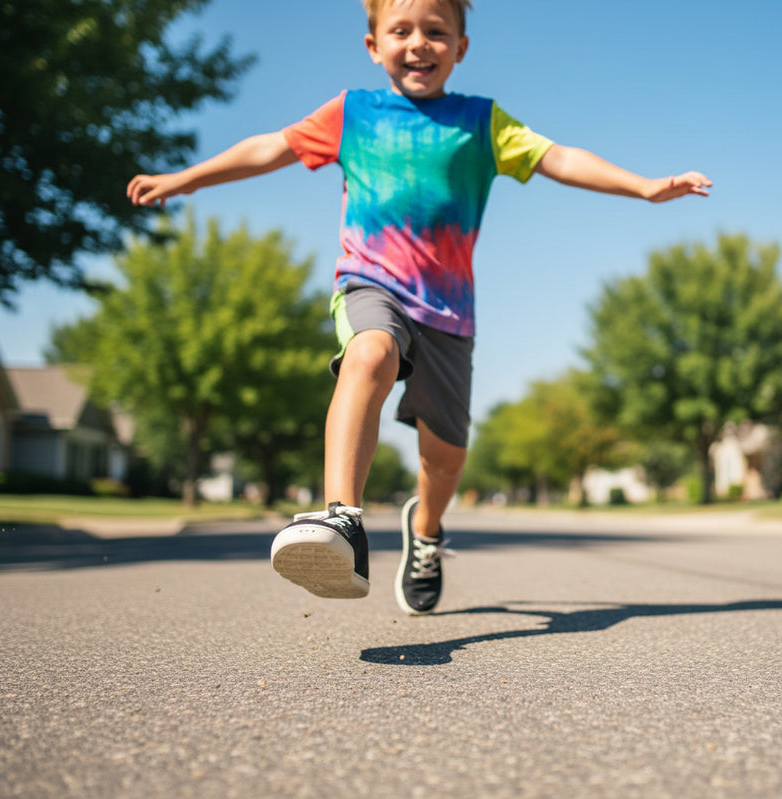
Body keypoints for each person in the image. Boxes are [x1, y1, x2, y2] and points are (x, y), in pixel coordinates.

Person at [127, 0, 711, 615]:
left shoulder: (480, 122)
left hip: (449, 313)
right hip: (371, 282)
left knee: (445, 456)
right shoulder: (351, 113)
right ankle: (341, 520)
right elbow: (270, 147)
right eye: (400, 30)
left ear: (460, 48)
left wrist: (644, 186)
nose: (419, 43)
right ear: (372, 45)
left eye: (436, 31)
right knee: (369, 352)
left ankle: (426, 531)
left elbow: (558, 158)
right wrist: (188, 178)